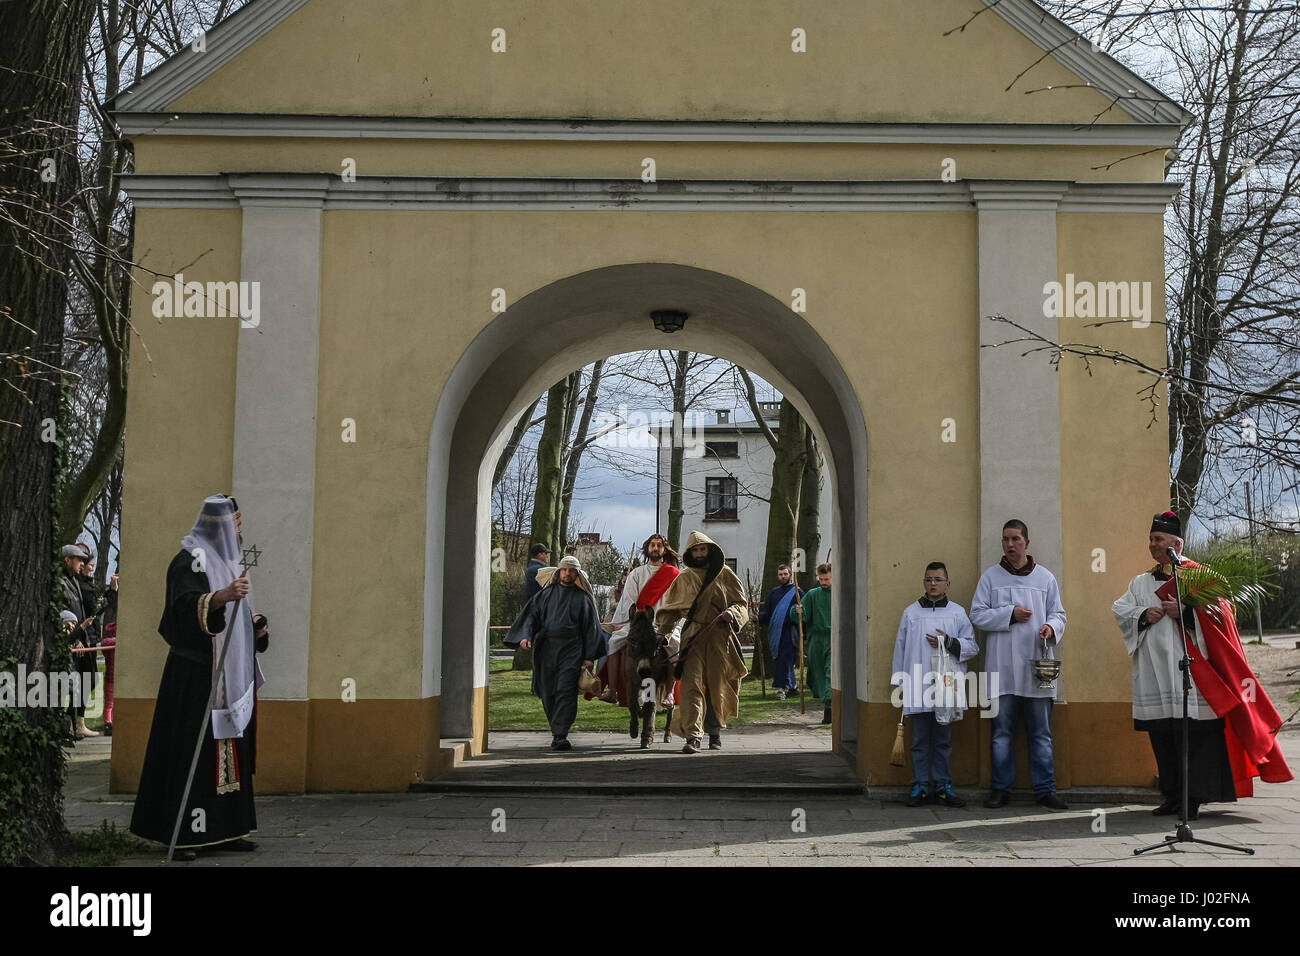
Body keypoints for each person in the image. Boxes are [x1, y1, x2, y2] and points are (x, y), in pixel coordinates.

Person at [1112, 510, 1292, 819]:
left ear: (1176, 545)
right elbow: (1120, 609)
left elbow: (1224, 617)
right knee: (1163, 736)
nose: (1153, 545)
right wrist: (1143, 615)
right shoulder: (1140, 582)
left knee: (1194, 739)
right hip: (1155, 676)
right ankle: (1171, 796)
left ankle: (1193, 798)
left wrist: (1186, 611)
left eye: (1159, 540)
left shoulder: (1199, 576)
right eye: (1151, 540)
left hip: (1194, 675)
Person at [129, 495, 267, 860]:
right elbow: (180, 611)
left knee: (228, 751)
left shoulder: (229, 563)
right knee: (191, 752)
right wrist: (221, 596)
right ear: (215, 525)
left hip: (228, 677)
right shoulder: (189, 560)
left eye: (239, 523)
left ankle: (228, 829)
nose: (238, 530)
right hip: (194, 678)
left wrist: (255, 627)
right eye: (233, 523)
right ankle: (185, 833)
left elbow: (236, 621)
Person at [970, 519, 1068, 810]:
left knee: (1041, 734)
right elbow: (977, 615)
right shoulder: (990, 578)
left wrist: (1051, 626)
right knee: (1001, 734)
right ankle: (1000, 789)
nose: (1010, 545)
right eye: (1005, 539)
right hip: (1001, 669)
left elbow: (1060, 614)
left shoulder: (1045, 579)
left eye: (1015, 539)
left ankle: (1046, 790)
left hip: (1036, 668)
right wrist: (1010, 614)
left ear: (1027, 542)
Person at [654, 531, 749, 754]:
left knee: (717, 685)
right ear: (690, 553)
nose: (699, 553)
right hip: (693, 637)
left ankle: (714, 733)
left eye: (702, 549)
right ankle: (693, 736)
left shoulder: (725, 574)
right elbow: (671, 610)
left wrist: (732, 613)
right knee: (691, 686)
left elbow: (741, 604)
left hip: (720, 636)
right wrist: (663, 634)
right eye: (695, 550)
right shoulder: (684, 578)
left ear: (710, 550)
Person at [891, 561, 977, 807]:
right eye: (928, 579)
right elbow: (901, 648)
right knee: (919, 740)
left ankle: (942, 785)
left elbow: (971, 647)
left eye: (938, 579)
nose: (933, 584)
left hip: (946, 685)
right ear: (924, 583)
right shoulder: (911, 614)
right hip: (918, 683)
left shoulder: (958, 613)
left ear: (947, 583)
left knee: (942, 739)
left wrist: (948, 642)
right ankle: (919, 785)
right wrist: (900, 682)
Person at [504, 554, 607, 750]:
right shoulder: (544, 595)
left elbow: (590, 628)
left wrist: (588, 657)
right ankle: (556, 730)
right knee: (547, 690)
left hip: (572, 649)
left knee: (565, 690)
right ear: (559, 571)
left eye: (572, 570)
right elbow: (531, 618)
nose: (568, 573)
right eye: (565, 569)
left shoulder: (583, 598)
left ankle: (561, 734)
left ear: (577, 574)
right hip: (546, 649)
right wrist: (526, 636)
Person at [604, 534, 682, 721]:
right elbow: (629, 601)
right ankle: (612, 691)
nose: (656, 548)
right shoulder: (636, 574)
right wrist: (639, 622)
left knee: (675, 644)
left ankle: (669, 692)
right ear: (647, 548)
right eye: (652, 545)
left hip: (664, 623)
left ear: (665, 549)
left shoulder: (674, 574)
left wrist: (663, 624)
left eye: (659, 545)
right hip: (638, 623)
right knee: (614, 642)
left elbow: (676, 603)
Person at [58, 544, 98, 739]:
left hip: (81, 638)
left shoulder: (73, 581)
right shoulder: (61, 582)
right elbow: (64, 615)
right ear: (68, 560)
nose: (82, 563)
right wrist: (74, 641)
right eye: (79, 559)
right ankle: (69, 725)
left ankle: (74, 725)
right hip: (73, 641)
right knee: (71, 684)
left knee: (83, 682)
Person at [791, 563, 833, 724]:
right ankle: (826, 699)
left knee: (830, 670)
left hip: (832, 637)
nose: (824, 582)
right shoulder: (813, 594)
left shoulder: (839, 594)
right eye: (821, 579)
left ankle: (829, 703)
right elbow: (801, 614)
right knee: (818, 671)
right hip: (816, 638)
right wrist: (798, 611)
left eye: (827, 579)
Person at [757, 564, 803, 700]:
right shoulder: (774, 592)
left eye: (785, 574)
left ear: (790, 575)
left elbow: (804, 613)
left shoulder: (798, 592)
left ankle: (780, 689)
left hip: (790, 632)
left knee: (786, 660)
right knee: (780, 660)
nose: (783, 577)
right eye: (780, 574)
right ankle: (793, 687)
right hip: (776, 632)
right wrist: (758, 618)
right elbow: (766, 611)